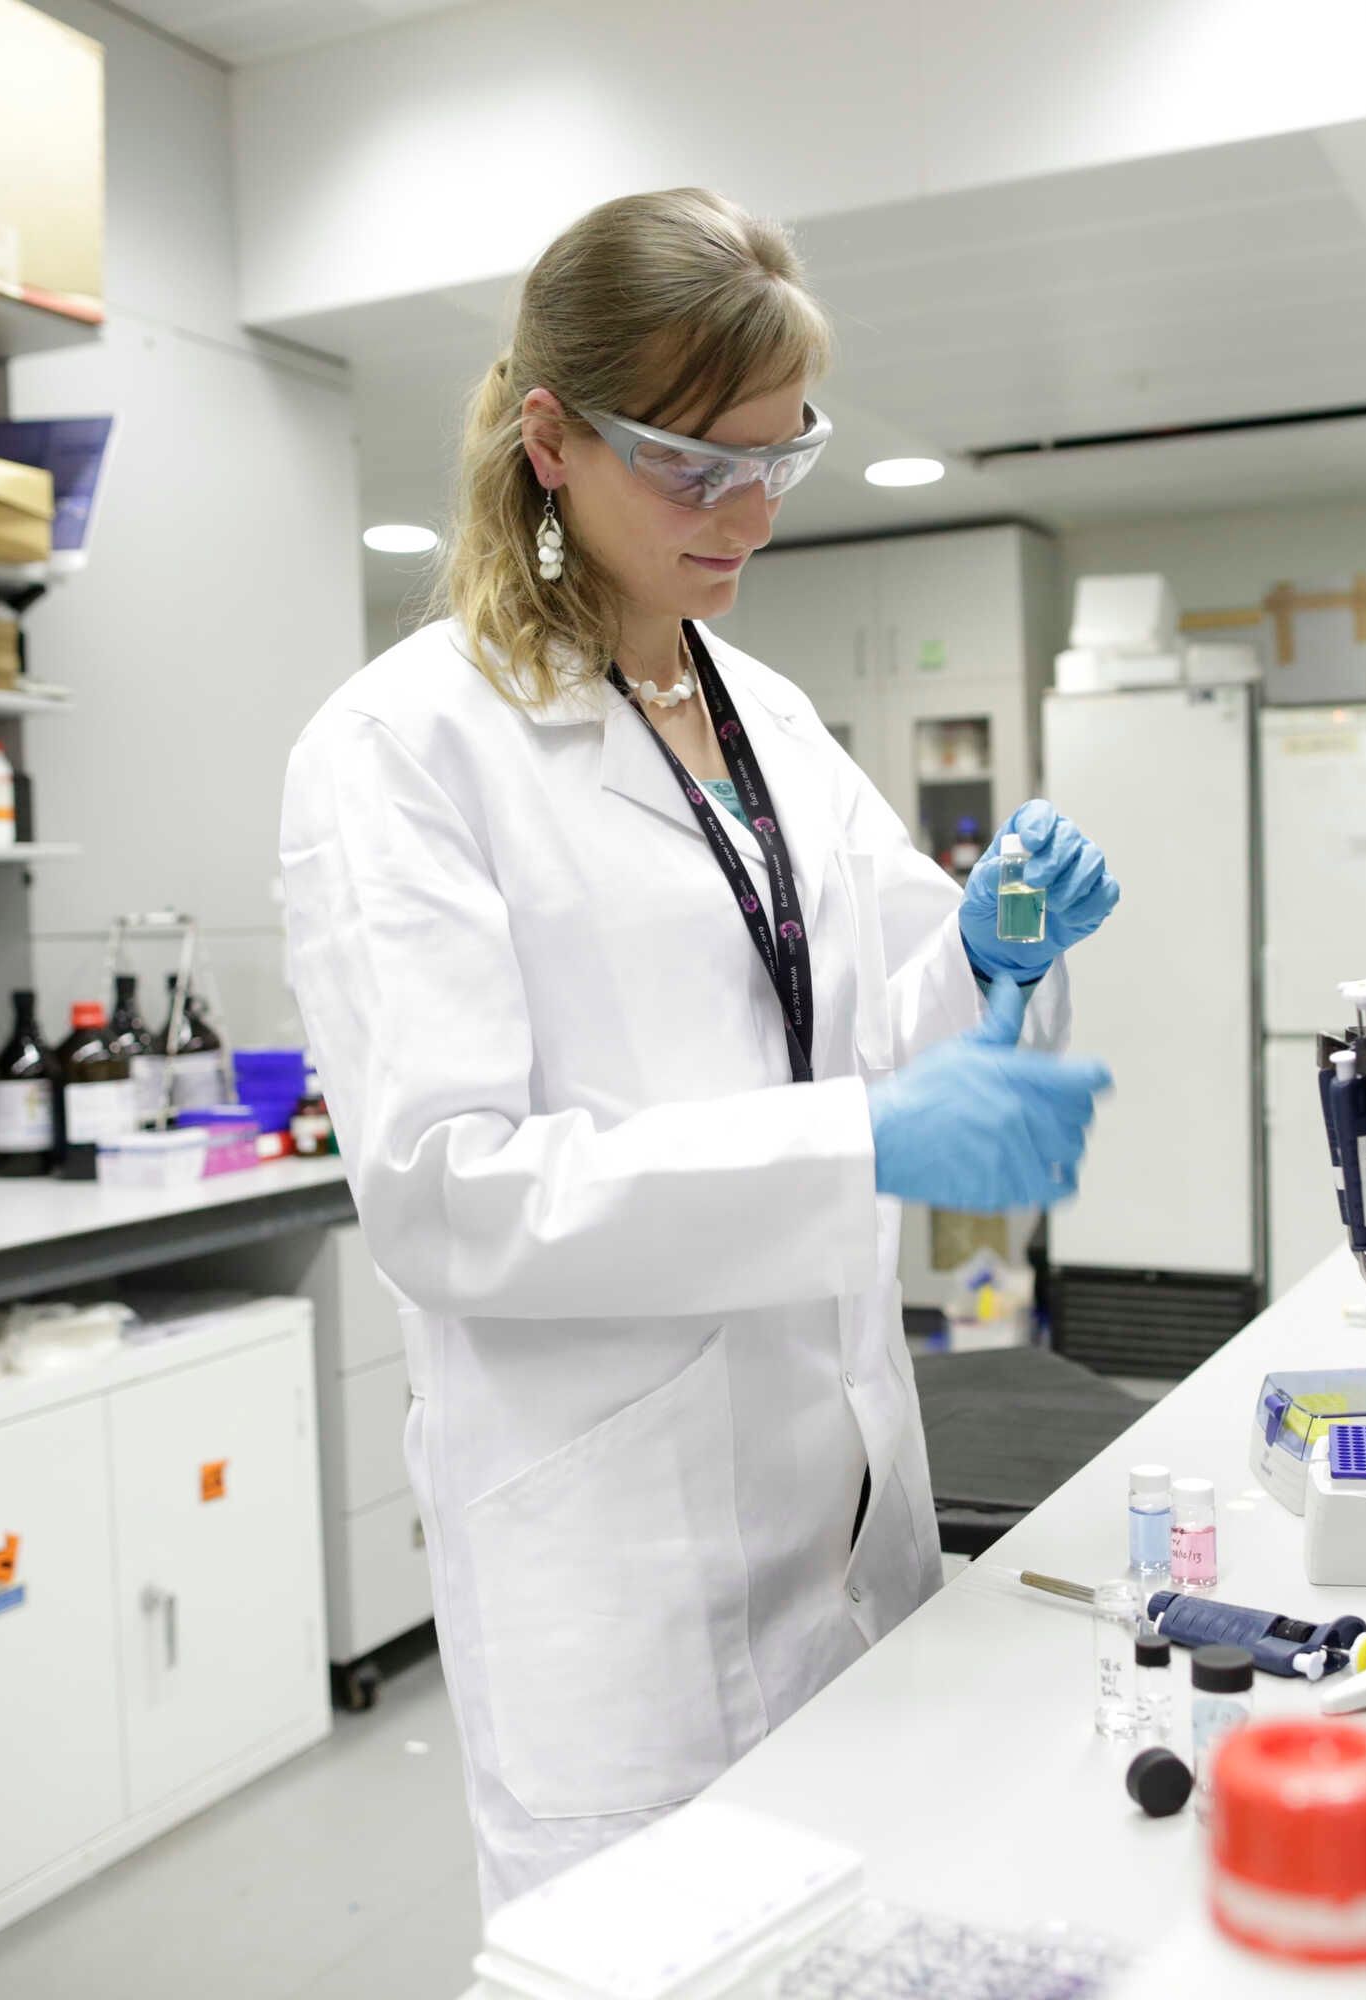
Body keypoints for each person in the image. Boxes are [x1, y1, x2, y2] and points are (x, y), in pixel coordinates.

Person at [280, 188, 1123, 1906]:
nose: (748, 513)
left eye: (780, 458)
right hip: (620, 1564)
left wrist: (979, 945)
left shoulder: (768, 717)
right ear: (550, 438)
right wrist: (863, 1147)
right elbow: (449, 1198)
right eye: (695, 464)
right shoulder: (402, 749)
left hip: (846, 1504)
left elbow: (875, 1011)